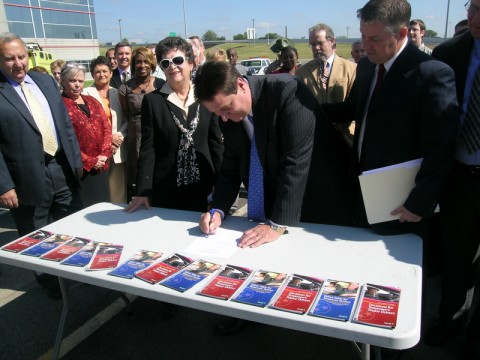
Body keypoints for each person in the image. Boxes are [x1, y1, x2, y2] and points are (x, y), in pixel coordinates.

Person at [323, 0, 458, 240]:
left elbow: (441, 147)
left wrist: (420, 202)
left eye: (374, 39)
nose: (365, 46)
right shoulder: (366, 66)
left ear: (402, 33)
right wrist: (309, 108)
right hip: (362, 189)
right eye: (363, 36)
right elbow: (357, 108)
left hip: (402, 203)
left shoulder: (431, 73)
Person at [0, 33, 83, 298]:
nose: (18, 64)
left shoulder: (45, 81)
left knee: (71, 223)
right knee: (35, 235)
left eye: (21, 56)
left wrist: (76, 161)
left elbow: (64, 125)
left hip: (61, 168)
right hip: (23, 178)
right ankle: (51, 284)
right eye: (9, 59)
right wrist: (4, 185)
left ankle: (74, 271)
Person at [425, 1, 480, 357]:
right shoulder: (449, 54)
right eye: (472, 8)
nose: (473, 19)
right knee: (457, 254)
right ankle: (450, 316)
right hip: (461, 175)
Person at [124, 37, 223, 213]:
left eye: (178, 60)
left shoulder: (205, 97)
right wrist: (143, 190)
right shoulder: (153, 101)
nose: (172, 66)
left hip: (203, 189)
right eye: (165, 63)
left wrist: (222, 186)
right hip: (165, 189)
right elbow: (148, 148)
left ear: (191, 63)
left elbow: (215, 143)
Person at [296, 23, 357, 147]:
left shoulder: (352, 69)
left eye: (320, 43)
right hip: (316, 140)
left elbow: (355, 106)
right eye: (313, 44)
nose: (316, 48)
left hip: (347, 140)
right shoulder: (302, 72)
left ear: (332, 41)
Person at [61, 62, 112, 207]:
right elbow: (66, 140)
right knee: (85, 207)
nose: (77, 85)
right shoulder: (60, 105)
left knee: (103, 205)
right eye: (72, 81)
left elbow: (106, 128)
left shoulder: (92, 101)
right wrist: (90, 161)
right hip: (81, 169)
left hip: (101, 165)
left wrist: (104, 154)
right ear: (63, 81)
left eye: (80, 81)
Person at [118, 47, 164, 201]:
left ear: (152, 64)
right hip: (136, 136)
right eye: (138, 62)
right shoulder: (125, 88)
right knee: (139, 175)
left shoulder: (161, 85)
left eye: (146, 61)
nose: (142, 65)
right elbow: (127, 114)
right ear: (133, 65)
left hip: (159, 134)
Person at [83, 56, 128, 203]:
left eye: (105, 71)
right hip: (97, 150)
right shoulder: (85, 94)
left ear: (110, 72)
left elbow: (127, 119)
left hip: (117, 147)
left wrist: (118, 137)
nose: (101, 74)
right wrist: (108, 141)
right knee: (100, 189)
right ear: (92, 74)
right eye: (97, 72)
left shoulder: (118, 92)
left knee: (118, 190)